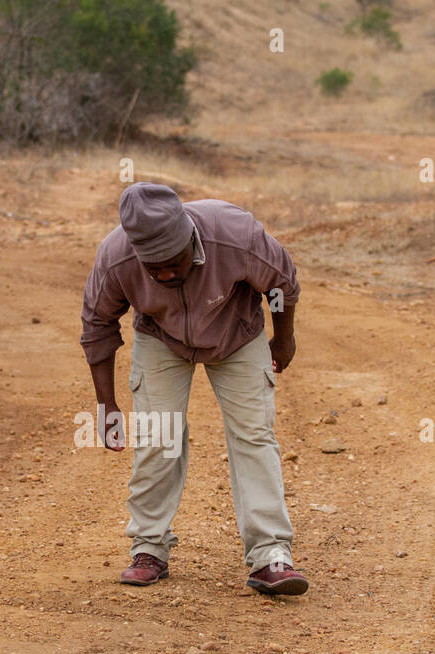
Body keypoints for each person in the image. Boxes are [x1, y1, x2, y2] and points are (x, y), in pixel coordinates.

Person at [80, 182, 307, 596]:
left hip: (236, 331)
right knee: (158, 437)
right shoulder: (117, 257)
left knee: (253, 434)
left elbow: (280, 286)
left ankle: (271, 555)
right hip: (161, 337)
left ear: (190, 238)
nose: (165, 273)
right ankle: (148, 547)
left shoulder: (235, 234)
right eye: (155, 268)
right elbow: (97, 326)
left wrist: (284, 338)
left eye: (173, 262)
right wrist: (106, 404)